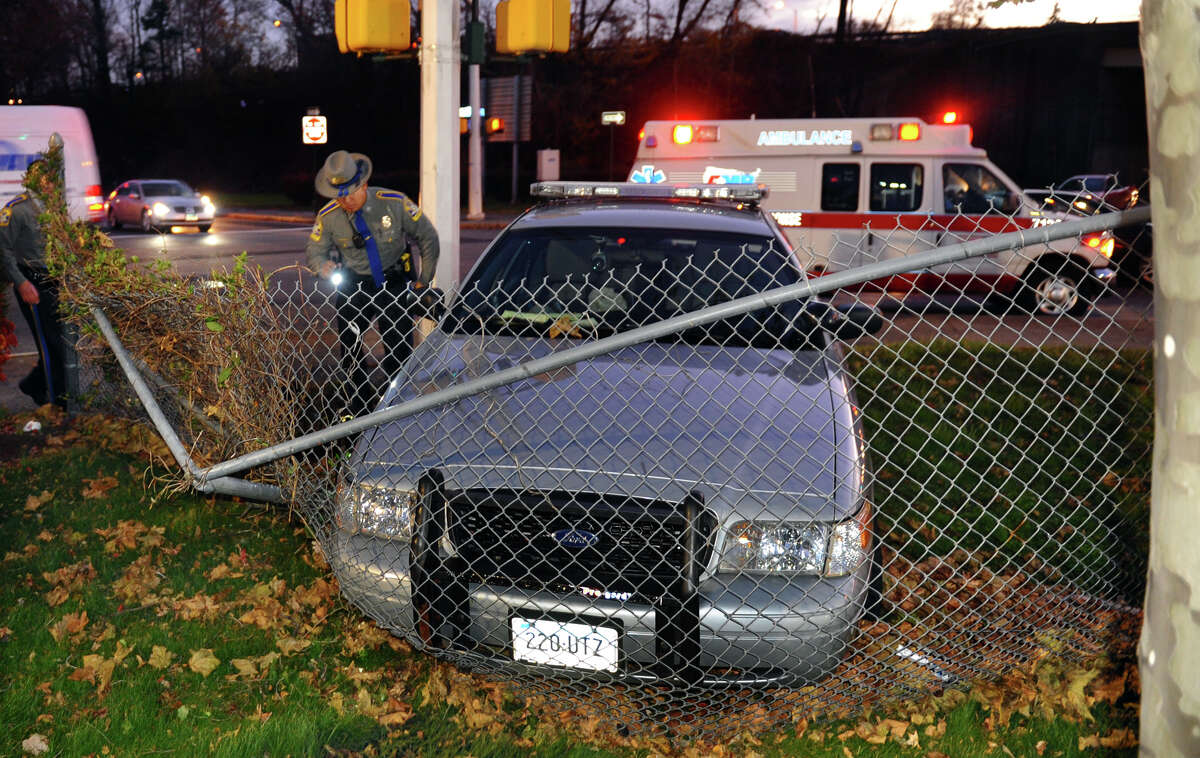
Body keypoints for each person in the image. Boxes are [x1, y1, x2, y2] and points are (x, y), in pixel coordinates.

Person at [305, 150, 440, 415]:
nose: (345, 200)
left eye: (350, 193)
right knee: (350, 345)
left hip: (394, 279)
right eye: (339, 195)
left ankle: (401, 401)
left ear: (363, 184)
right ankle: (361, 404)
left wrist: (423, 282)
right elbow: (315, 249)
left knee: (398, 346)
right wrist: (322, 266)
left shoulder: (393, 203)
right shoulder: (329, 215)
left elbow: (427, 237)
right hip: (355, 283)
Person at [1, 157, 69, 409]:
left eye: (50, 176)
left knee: (58, 341)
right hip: (32, 283)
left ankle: (34, 385)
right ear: (30, 180)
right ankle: (58, 404)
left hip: (53, 280)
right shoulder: (16, 210)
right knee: (50, 344)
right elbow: (3, 250)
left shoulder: (54, 207)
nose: (48, 181)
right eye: (42, 177)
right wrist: (21, 283)